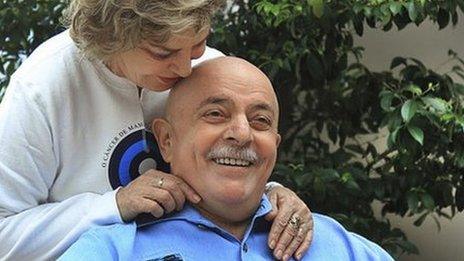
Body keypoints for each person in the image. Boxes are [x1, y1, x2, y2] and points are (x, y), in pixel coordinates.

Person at [0, 1, 312, 260]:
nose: (185, 70)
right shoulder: (42, 88)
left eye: (198, 45)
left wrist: (272, 194)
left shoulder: (204, 67)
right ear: (111, 37)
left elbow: (232, 156)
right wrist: (115, 205)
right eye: (163, 53)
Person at [60, 56, 394, 261]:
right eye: (216, 114)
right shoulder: (112, 250)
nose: (242, 133)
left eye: (260, 120)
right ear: (167, 141)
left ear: (275, 146)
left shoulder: (340, 246)